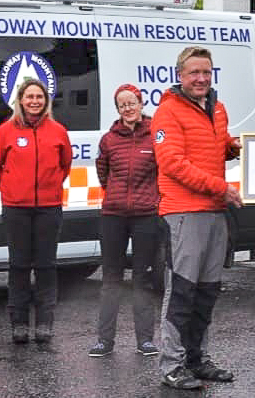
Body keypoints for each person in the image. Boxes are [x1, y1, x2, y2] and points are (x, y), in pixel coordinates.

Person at [153, 46, 241, 390]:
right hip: (184, 213)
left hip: (215, 212)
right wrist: (220, 188)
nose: (201, 78)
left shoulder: (217, 109)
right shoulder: (167, 112)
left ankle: (197, 359)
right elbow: (173, 163)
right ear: (180, 76)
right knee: (182, 292)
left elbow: (212, 149)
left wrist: (233, 148)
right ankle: (172, 365)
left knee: (207, 291)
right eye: (194, 73)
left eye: (206, 71)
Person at [0, 78, 72, 344]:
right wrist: (13, 188)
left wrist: (49, 187)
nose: (34, 101)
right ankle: (19, 323)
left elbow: (65, 165)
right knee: (19, 266)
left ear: (45, 102)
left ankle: (45, 323)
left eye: (39, 97)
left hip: (49, 208)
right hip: (16, 209)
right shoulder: (5, 131)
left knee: (47, 266)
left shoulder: (58, 130)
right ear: (20, 101)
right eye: (29, 97)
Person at [88, 84, 160, 358]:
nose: (128, 108)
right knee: (111, 279)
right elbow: (103, 172)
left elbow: (163, 171)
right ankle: (105, 341)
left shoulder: (155, 135)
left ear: (141, 104)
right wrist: (117, 197)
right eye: (122, 105)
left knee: (142, 278)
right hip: (113, 216)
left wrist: (152, 199)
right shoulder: (109, 139)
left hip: (146, 216)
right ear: (117, 109)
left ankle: (145, 340)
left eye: (132, 103)